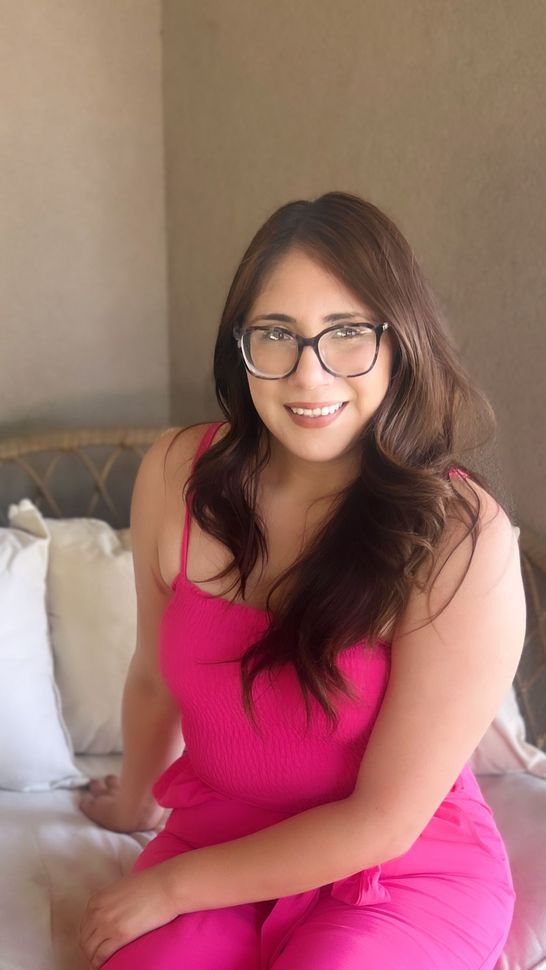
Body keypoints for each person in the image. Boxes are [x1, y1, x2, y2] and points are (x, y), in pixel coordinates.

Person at [78, 191, 526, 970]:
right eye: (276, 336)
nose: (309, 375)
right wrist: (133, 801)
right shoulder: (176, 475)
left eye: (347, 334)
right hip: (220, 834)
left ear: (400, 341)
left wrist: (176, 886)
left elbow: (385, 819)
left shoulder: (458, 533)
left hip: (399, 868)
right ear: (240, 346)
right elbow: (154, 678)